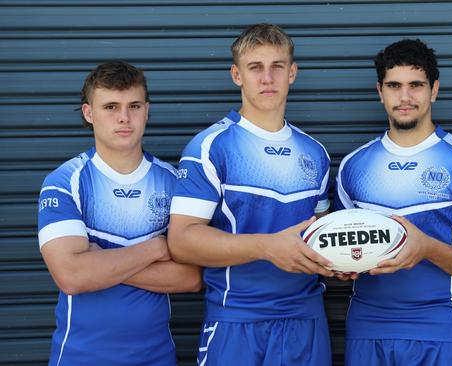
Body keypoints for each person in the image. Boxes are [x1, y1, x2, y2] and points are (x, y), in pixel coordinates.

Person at [167, 23, 333, 366]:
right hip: (237, 321)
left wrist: (345, 260)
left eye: (277, 67)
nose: (267, 78)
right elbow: (181, 241)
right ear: (236, 75)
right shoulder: (211, 147)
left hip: (306, 321)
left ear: (293, 73)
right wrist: (266, 247)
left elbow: (319, 234)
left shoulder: (315, 153)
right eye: (255, 67)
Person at [335, 39, 452, 366]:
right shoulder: (353, 166)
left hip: (444, 330)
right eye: (394, 85)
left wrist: (427, 248)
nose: (405, 97)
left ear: (434, 90)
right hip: (368, 331)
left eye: (416, 85)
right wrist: (342, 265)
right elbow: (343, 251)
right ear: (379, 91)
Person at [37, 61, 202, 365]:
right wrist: (154, 249)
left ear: (147, 110)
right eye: (110, 106)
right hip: (80, 355)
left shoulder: (173, 181)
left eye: (134, 105)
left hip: (156, 356)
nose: (124, 118)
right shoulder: (65, 181)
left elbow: (191, 277)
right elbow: (72, 276)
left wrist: (100, 261)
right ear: (89, 113)